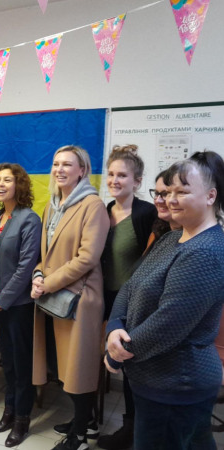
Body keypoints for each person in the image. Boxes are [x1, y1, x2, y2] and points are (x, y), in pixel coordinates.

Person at [105, 151, 224, 450]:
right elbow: (131, 285)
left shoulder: (206, 251)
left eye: (182, 192)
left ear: (210, 196)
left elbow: (168, 323)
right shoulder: (173, 237)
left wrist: (117, 352)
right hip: (155, 380)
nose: (170, 200)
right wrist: (114, 325)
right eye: (168, 192)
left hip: (177, 384)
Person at [31, 145, 109, 450]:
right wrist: (38, 275)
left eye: (67, 164)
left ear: (82, 170)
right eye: (56, 164)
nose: (60, 169)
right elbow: (45, 254)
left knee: (78, 369)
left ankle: (78, 437)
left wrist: (47, 282)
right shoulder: (51, 205)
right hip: (53, 296)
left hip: (80, 299)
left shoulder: (93, 205)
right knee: (63, 366)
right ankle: (85, 422)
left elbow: (87, 258)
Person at [98, 146, 156, 450]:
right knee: (107, 362)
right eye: (111, 174)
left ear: (137, 180)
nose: (115, 180)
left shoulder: (147, 213)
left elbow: (151, 262)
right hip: (105, 299)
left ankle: (133, 432)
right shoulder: (105, 210)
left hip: (135, 306)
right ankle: (98, 420)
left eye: (122, 175)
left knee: (132, 368)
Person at [0, 163, 41, 447]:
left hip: (17, 305)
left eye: (7, 180)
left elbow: (26, 266)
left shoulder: (28, 218)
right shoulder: (0, 216)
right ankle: (8, 411)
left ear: (19, 184)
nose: (1, 184)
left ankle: (22, 419)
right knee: (8, 364)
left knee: (21, 367)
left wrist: (3, 299)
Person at [145, 170, 182, 254]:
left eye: (165, 194)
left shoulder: (191, 240)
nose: (158, 200)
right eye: (156, 193)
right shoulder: (157, 232)